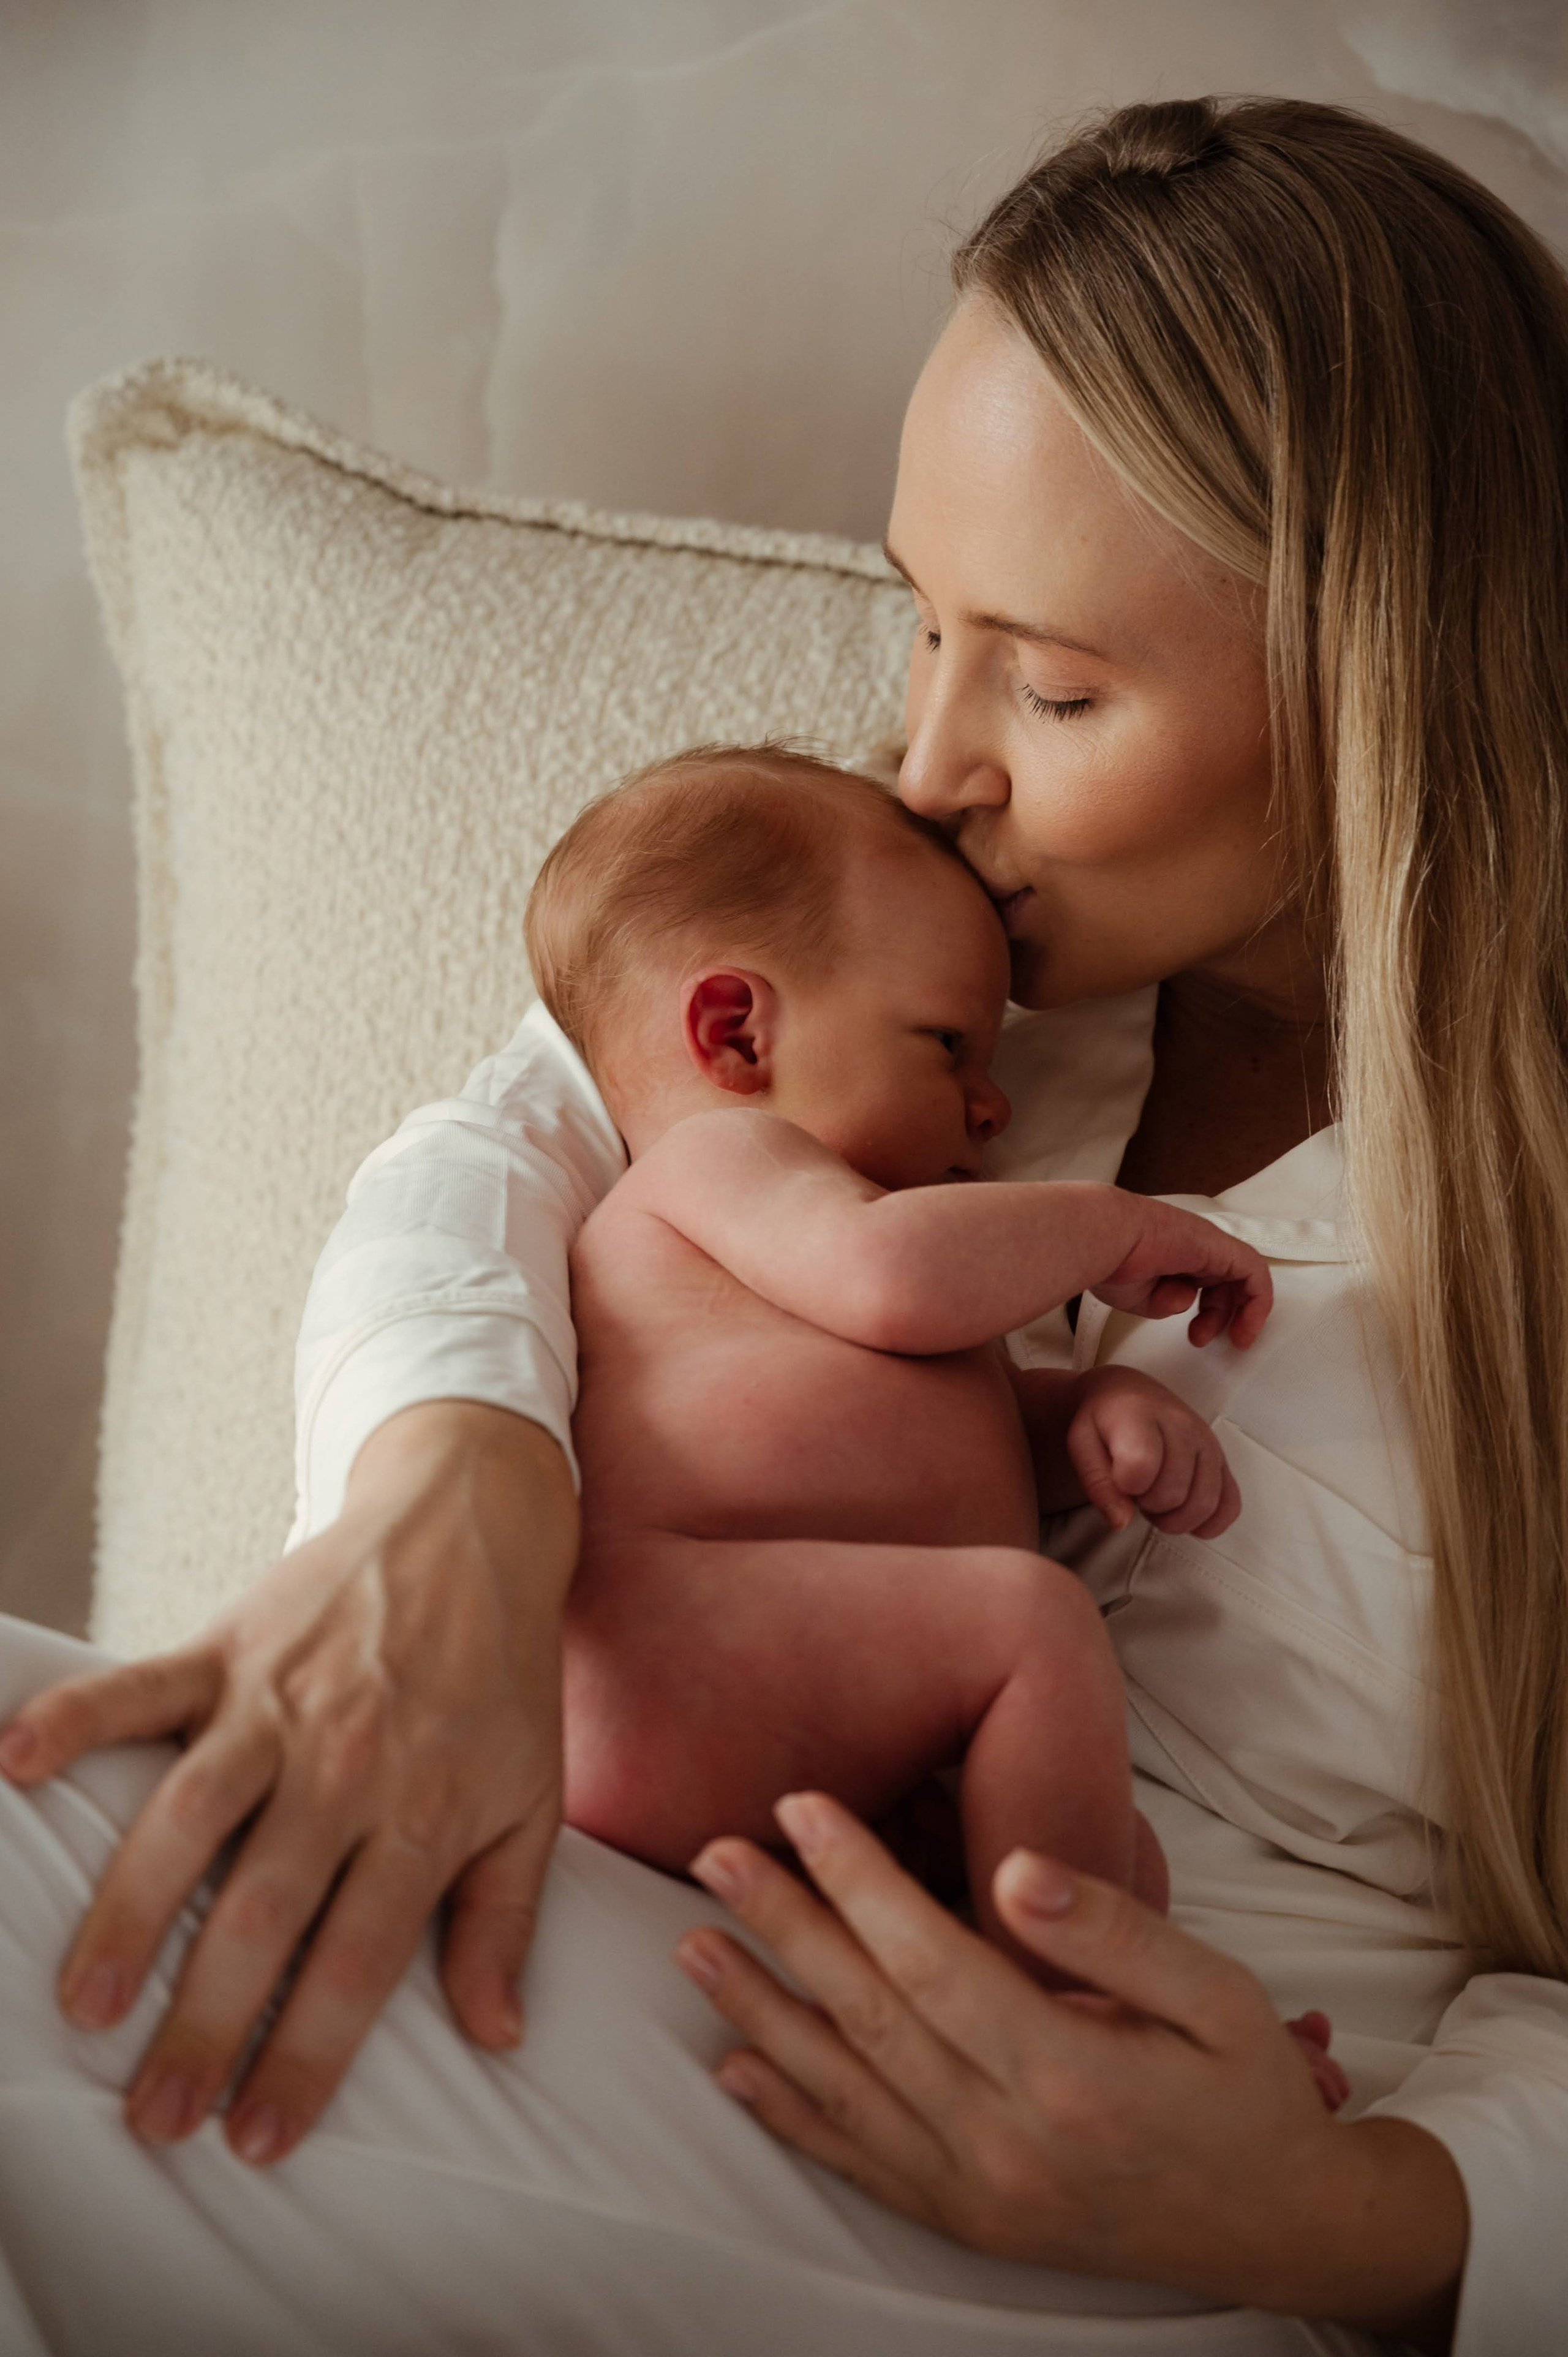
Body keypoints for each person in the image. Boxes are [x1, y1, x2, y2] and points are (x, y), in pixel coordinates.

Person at [1, 91, 1565, 2354]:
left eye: (1050, 679)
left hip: (1166, 2208)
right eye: (927, 622)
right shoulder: (898, 951)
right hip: (720, 1951)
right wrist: (455, 1479)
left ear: (1377, 665)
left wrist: (1342, 2210)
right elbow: (494, 1157)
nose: (931, 757)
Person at [540, 744, 1273, 1951]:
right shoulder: (727, 1161)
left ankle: (1147, 2005)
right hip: (671, 1650)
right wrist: (1109, 1226)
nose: (995, 1105)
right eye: (946, 1046)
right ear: (735, 1033)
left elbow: (932, 1424)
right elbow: (892, 1284)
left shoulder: (862, 1223)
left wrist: (1075, 1420)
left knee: (1112, 1850)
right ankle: (1081, 2007)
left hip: (801, 1688)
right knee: (1031, 1626)